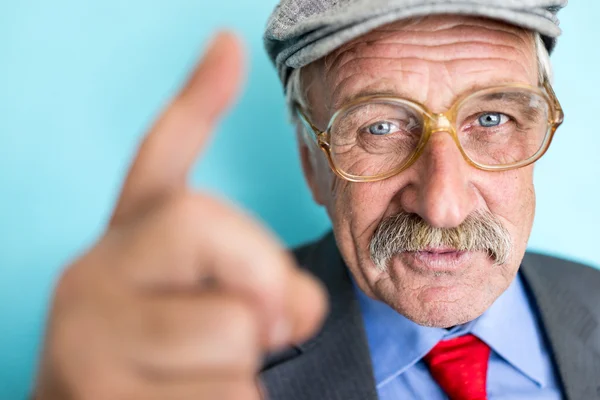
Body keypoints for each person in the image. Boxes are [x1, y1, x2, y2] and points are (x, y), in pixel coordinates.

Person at [32, 0, 600, 399]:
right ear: (310, 163)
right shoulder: (193, 361)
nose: (443, 205)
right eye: (378, 128)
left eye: (491, 118)